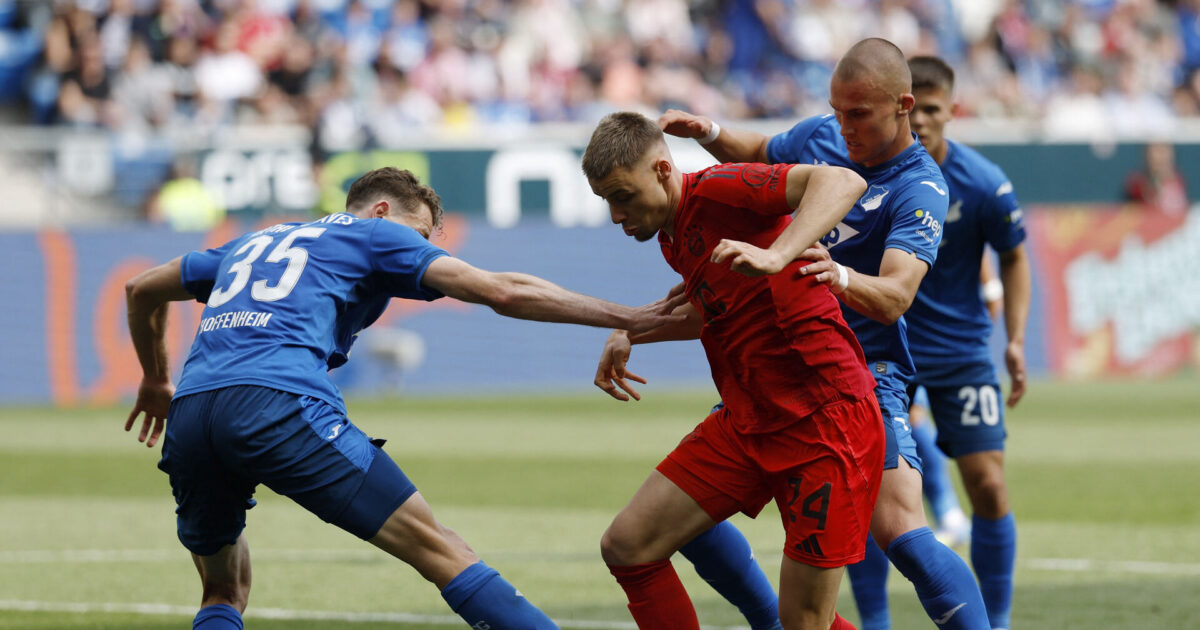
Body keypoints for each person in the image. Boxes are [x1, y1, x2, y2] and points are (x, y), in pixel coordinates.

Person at [123, 166, 689, 630]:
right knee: (441, 549)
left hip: (193, 411)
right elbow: (500, 290)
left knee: (223, 590)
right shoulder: (372, 234)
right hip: (279, 400)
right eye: (416, 238)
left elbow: (141, 287)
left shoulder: (252, 241)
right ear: (382, 213)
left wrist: (154, 378)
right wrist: (632, 317)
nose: (416, 254)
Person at [658, 38, 992, 630]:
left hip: (863, 375)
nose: (843, 127)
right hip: (783, 369)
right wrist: (709, 131)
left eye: (858, 114)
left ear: (902, 106)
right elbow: (761, 148)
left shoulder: (921, 188)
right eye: (837, 111)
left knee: (898, 530)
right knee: (681, 523)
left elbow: (895, 297)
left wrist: (835, 273)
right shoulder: (825, 134)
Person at [584, 111, 883, 630]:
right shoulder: (671, 233)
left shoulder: (720, 188)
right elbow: (712, 309)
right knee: (629, 546)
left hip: (824, 421)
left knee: (804, 622)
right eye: (607, 201)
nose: (615, 215)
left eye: (622, 196)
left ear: (661, 170)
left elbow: (843, 180)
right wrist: (631, 330)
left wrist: (779, 253)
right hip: (749, 418)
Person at [900, 54, 1032, 630]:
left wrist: (1018, 339)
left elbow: (1015, 256)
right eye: (913, 109)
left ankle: (995, 622)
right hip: (886, 346)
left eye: (933, 109)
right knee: (867, 497)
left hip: (960, 350)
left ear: (952, 111)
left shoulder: (983, 183)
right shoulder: (865, 175)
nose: (922, 120)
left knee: (990, 485)